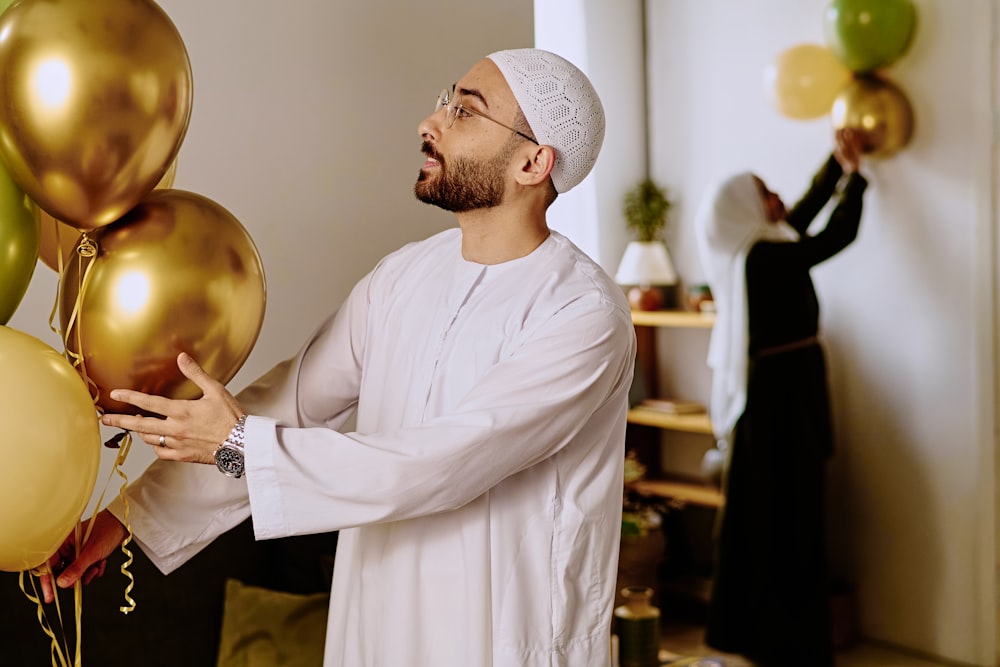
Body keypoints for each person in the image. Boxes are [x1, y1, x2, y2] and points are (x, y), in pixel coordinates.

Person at [44, 49, 637, 667]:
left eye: (464, 112)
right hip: (378, 623)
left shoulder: (584, 314)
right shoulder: (402, 276)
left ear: (533, 162)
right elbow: (291, 401)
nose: (429, 123)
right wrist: (127, 517)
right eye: (445, 100)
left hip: (498, 637)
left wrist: (240, 444)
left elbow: (444, 463)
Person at [694, 128, 867, 667]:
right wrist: (857, 181)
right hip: (781, 402)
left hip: (782, 392)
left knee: (777, 512)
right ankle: (785, 639)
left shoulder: (758, 250)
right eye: (765, 192)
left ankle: (770, 634)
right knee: (788, 513)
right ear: (746, 208)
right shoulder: (761, 258)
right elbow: (828, 239)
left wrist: (838, 165)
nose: (777, 199)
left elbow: (804, 214)